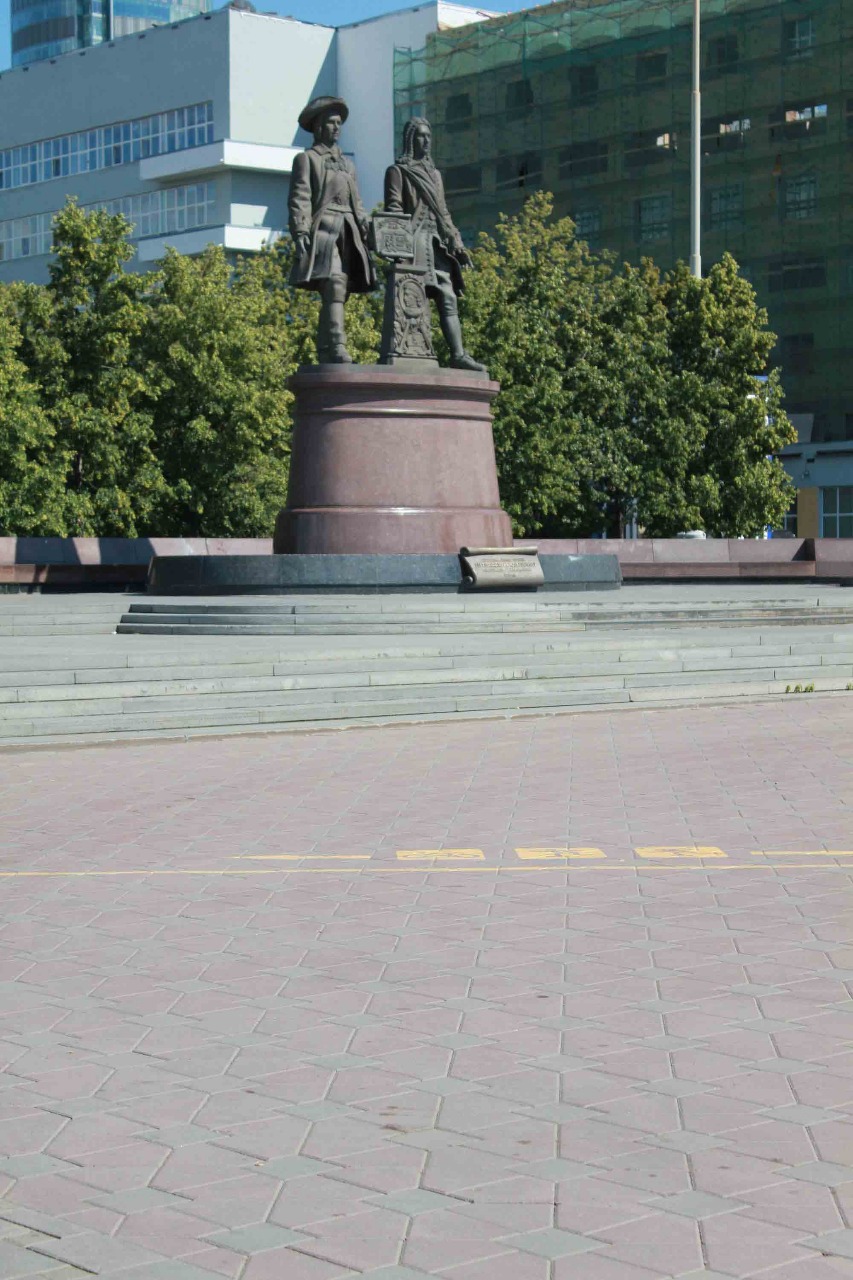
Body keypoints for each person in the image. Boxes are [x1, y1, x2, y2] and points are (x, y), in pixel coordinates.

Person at [384, 118, 485, 373]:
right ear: (410, 139)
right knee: (413, 300)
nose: (426, 140)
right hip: (414, 243)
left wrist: (458, 244)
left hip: (435, 243)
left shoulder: (435, 175)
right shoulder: (398, 171)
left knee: (448, 297)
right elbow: (394, 209)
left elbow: (443, 213)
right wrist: (396, 248)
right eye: (421, 135)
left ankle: (458, 354)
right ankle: (410, 351)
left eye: (429, 136)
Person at [289, 96, 375, 364]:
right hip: (325, 229)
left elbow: (357, 203)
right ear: (318, 127)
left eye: (339, 123)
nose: (337, 127)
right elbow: (300, 197)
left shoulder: (348, 165)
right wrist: (301, 231)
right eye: (331, 122)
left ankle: (325, 349)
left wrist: (368, 227)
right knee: (335, 283)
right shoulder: (307, 159)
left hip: (349, 231)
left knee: (339, 290)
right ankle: (337, 345)